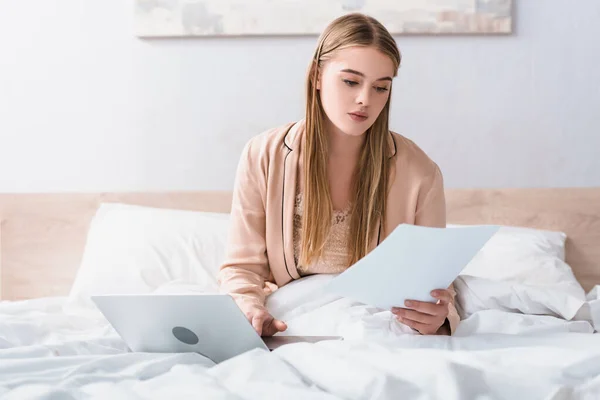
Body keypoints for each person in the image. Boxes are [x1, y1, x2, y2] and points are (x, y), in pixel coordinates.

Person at [217, 12, 460, 337]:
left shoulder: (421, 173)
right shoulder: (263, 155)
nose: (365, 99)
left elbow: (437, 286)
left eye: (380, 88)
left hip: (375, 328)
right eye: (350, 81)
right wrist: (248, 308)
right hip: (290, 324)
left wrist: (438, 318)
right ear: (317, 75)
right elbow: (241, 268)